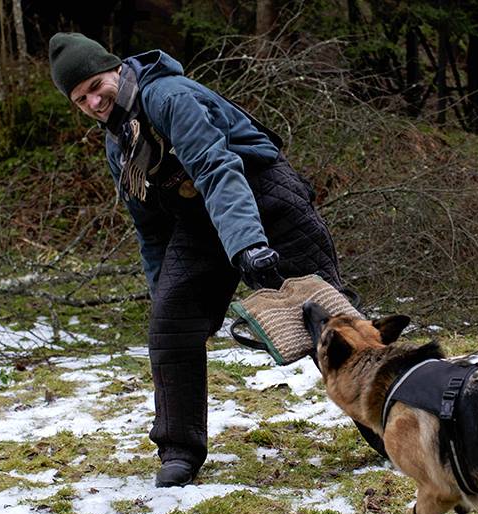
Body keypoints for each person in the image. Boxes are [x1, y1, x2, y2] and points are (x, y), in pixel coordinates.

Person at [48, 33, 386, 487]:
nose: (92, 101)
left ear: (114, 69)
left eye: (94, 85)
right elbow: (150, 228)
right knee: (170, 325)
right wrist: (161, 290)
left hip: (266, 200)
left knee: (332, 326)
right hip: (200, 221)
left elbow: (215, 166)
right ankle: (179, 452)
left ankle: (391, 427)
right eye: (79, 98)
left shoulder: (168, 96)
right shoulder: (119, 144)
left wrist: (247, 244)